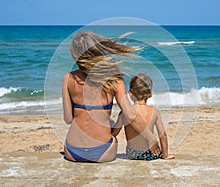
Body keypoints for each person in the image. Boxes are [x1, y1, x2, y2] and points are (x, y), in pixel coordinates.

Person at [62, 31, 160, 162]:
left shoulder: (68, 78)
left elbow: (68, 119)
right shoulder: (114, 79)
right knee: (112, 134)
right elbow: (130, 114)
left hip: (72, 150)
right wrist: (151, 138)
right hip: (102, 151)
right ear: (98, 51)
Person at [112, 73, 175, 160]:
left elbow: (114, 133)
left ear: (130, 93)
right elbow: (163, 135)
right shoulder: (155, 112)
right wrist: (165, 155)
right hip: (151, 153)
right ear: (150, 94)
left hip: (132, 154)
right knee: (158, 148)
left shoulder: (125, 112)